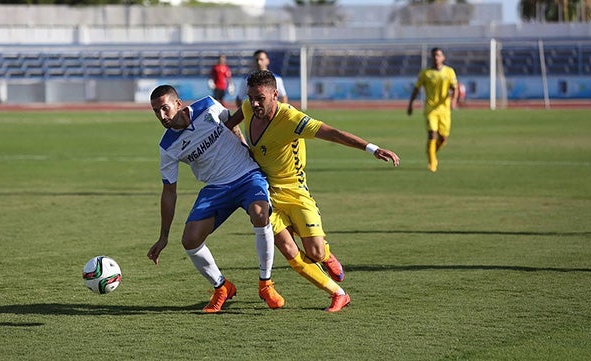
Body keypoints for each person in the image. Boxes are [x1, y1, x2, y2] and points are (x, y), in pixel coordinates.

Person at [227, 70, 400, 312]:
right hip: (265, 194)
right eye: (251, 97)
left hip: (296, 192)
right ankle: (338, 294)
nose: (254, 103)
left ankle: (326, 255)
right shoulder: (247, 108)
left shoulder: (291, 119)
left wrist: (371, 148)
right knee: (289, 250)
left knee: (315, 252)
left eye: (260, 98)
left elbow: (332, 133)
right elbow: (228, 126)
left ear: (275, 94)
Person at [146, 85, 284, 313]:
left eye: (165, 108)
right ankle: (222, 287)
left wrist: (245, 147)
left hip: (247, 175)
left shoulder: (208, 105)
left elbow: (231, 123)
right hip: (216, 188)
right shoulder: (167, 146)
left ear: (179, 104)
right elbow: (169, 191)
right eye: (156, 111)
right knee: (190, 240)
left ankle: (265, 283)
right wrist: (163, 237)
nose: (161, 116)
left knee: (260, 214)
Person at [407, 47, 459, 172]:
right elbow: (416, 89)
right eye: (434, 55)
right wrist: (410, 104)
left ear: (443, 57)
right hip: (430, 109)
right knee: (432, 134)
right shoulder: (426, 73)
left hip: (444, 110)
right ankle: (432, 163)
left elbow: (455, 88)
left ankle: (431, 151)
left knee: (443, 138)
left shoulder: (449, 72)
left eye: (438, 55)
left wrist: (453, 100)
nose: (436, 57)